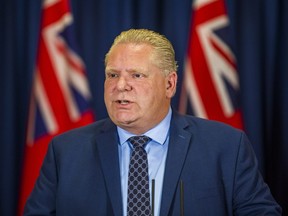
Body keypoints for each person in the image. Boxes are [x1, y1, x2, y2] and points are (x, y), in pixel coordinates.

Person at [24, 29, 282, 215]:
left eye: (136, 75)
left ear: (169, 84)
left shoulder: (226, 147)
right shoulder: (66, 151)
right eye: (112, 75)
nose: (120, 86)